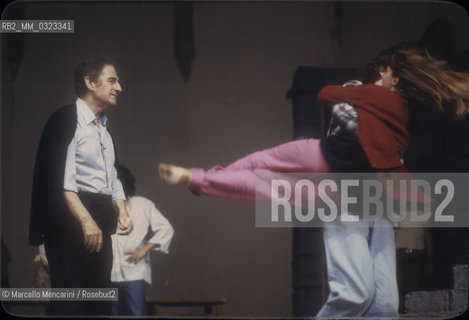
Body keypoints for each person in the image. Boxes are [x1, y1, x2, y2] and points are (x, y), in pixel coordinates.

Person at [158, 46, 469, 317]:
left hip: (356, 193)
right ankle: (204, 179)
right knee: (263, 171)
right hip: (330, 169)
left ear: (395, 78)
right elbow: (343, 114)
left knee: (385, 307)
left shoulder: (396, 112)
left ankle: (203, 179)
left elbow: (339, 107)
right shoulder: (374, 97)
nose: (378, 80)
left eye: (383, 74)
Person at [29, 57, 134, 316]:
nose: (119, 87)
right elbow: (61, 179)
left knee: (100, 299)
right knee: (71, 301)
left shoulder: (104, 130)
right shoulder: (66, 119)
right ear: (89, 82)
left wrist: (121, 210)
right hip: (70, 222)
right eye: (112, 80)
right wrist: (86, 221)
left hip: (101, 219)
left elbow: (112, 175)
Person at [111, 165, 174, 316]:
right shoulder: (103, 209)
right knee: (110, 314)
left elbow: (166, 228)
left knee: (136, 314)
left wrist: (144, 249)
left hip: (134, 273)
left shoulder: (143, 205)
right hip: (109, 273)